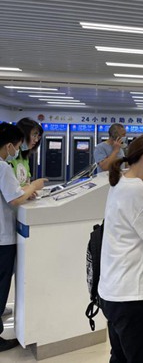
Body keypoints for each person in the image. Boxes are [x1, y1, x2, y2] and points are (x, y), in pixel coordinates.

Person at [98, 133, 143, 363]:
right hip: (132, 297)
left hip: (113, 291)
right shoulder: (138, 191)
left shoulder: (120, 183)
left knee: (120, 357)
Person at [0, 123, 46, 352]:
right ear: (9, 145)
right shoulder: (3, 167)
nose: (17, 151)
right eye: (16, 146)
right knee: (1, 284)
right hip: (3, 238)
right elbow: (14, 198)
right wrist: (33, 186)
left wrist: (25, 191)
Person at [11, 118, 43, 186]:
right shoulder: (8, 157)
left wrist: (30, 189)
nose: (36, 140)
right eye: (34, 136)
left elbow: (27, 181)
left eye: (38, 137)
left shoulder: (24, 156)